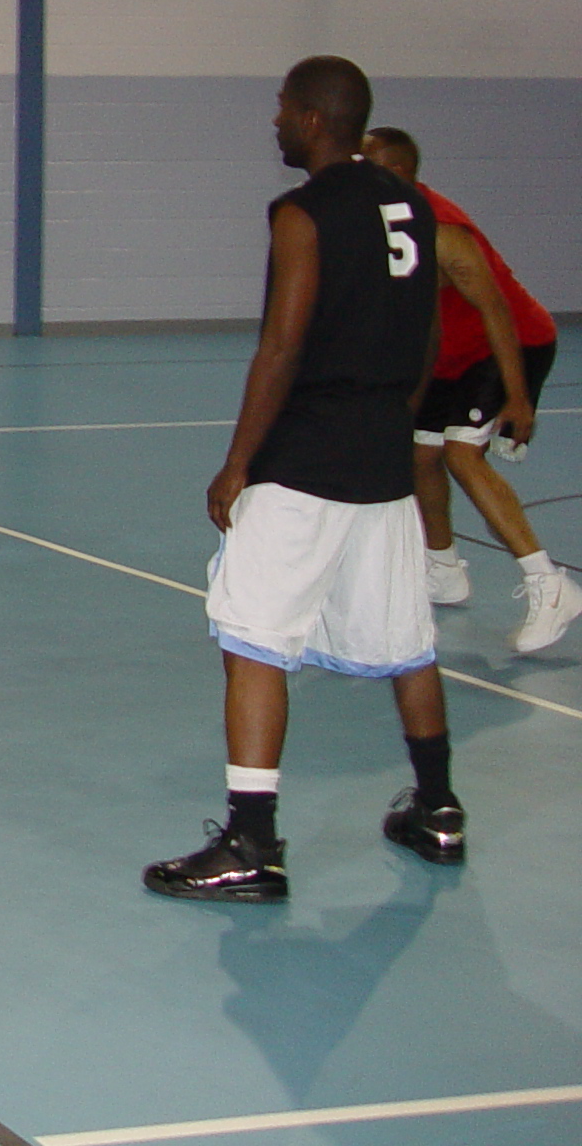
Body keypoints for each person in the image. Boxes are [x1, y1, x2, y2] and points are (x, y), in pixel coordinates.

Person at [144, 58, 459, 905]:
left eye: (282, 109)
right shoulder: (414, 204)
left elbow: (281, 348)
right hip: (384, 460)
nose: (275, 122)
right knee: (406, 641)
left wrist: (239, 462)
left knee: (252, 639)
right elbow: (428, 337)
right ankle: (437, 809)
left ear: (316, 118)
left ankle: (251, 843)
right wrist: (390, 415)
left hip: (307, 461)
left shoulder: (302, 214)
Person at [359, 126, 575, 653]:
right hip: (449, 356)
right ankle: (444, 569)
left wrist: (519, 398)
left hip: (509, 344)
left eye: (371, 166)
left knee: (461, 454)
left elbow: (498, 312)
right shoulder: (377, 219)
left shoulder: (444, 231)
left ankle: (551, 585)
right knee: (420, 454)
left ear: (401, 175)